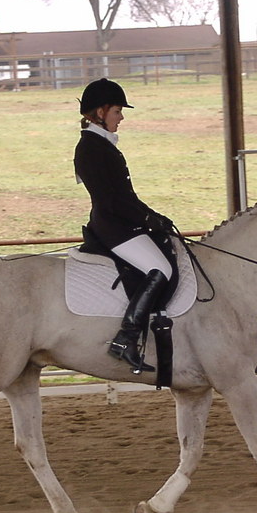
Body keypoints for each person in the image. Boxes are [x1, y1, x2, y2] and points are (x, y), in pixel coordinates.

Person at [74, 78, 175, 373]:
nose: (121, 118)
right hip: (113, 227)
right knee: (161, 269)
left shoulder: (102, 144)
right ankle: (126, 338)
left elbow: (126, 196)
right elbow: (111, 200)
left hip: (122, 223)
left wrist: (155, 217)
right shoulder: (91, 148)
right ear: (101, 112)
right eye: (117, 111)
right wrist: (147, 220)